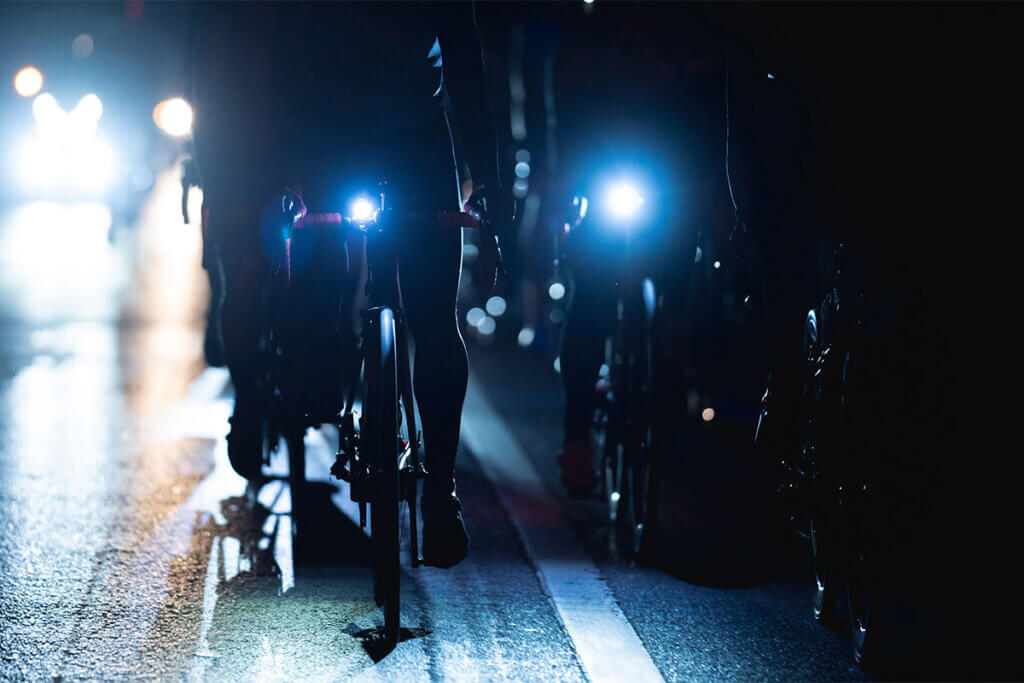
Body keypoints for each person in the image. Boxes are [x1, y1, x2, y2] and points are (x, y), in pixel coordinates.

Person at [190, 2, 508, 568]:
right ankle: (317, 376)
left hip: (418, 142)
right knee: (319, 274)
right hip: (331, 133)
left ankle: (440, 492)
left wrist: (487, 178)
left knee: (434, 317)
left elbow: (466, 65)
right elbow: (286, 68)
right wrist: (286, 177)